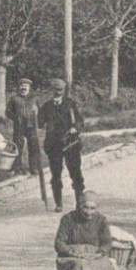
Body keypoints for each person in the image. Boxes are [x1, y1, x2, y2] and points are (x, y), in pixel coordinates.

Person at [37, 79, 85, 213]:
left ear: (64, 91)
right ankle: (58, 203)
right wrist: (34, 114)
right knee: (55, 174)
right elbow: (39, 123)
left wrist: (76, 128)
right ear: (52, 91)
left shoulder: (71, 104)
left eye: (60, 90)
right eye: (55, 90)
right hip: (54, 145)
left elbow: (80, 121)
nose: (58, 92)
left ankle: (79, 202)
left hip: (71, 143)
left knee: (75, 172)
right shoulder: (46, 106)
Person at [5, 77, 40, 175]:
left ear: (29, 87)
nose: (23, 87)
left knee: (33, 147)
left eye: (26, 85)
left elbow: (40, 111)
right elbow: (8, 112)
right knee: (17, 147)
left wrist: (37, 113)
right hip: (19, 126)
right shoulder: (14, 99)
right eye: (22, 85)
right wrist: (15, 118)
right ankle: (17, 168)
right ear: (19, 87)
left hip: (31, 126)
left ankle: (34, 168)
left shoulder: (34, 98)